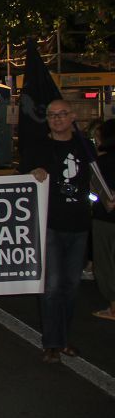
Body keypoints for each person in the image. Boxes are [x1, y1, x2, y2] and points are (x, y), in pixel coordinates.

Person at [20, 99, 94, 363]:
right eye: (52, 115)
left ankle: (63, 338)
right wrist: (34, 171)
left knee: (71, 286)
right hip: (50, 224)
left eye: (62, 114)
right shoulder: (39, 146)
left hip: (79, 225)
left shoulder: (84, 145)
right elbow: (23, 177)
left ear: (72, 116)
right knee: (51, 286)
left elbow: (95, 177)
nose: (57, 119)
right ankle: (51, 342)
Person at [90, 119, 115, 321]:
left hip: (104, 219)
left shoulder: (100, 163)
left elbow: (91, 193)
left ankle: (113, 307)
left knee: (106, 263)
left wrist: (101, 200)